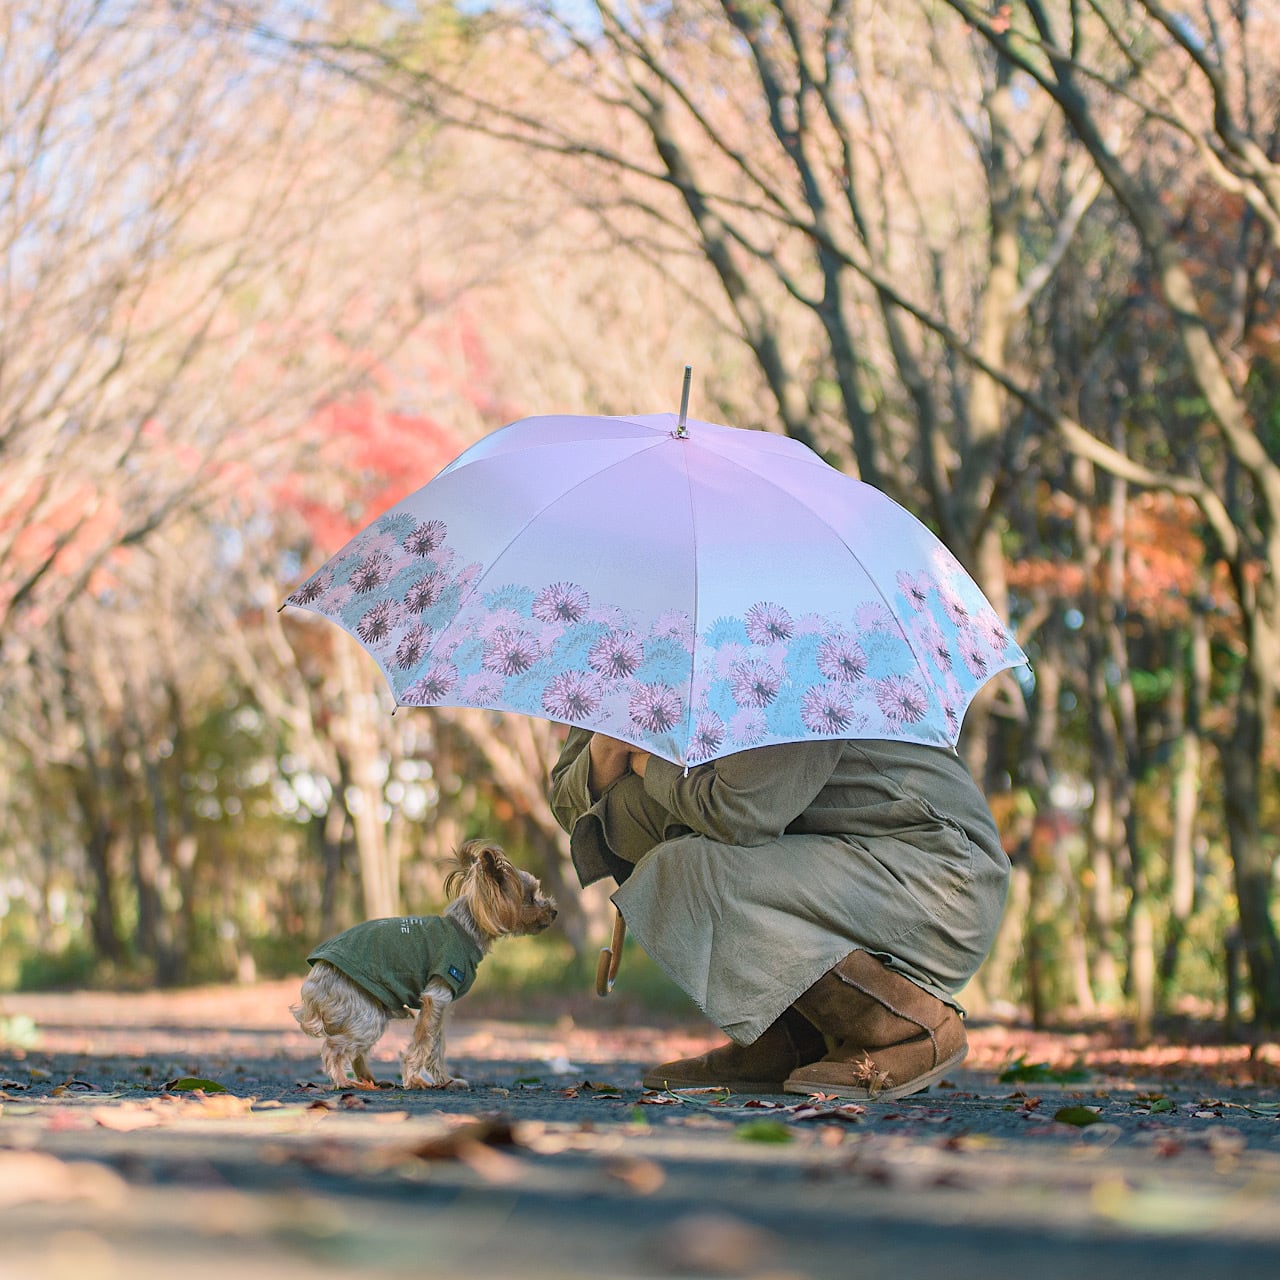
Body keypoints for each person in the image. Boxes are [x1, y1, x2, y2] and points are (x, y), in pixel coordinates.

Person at [549, 728, 1010, 1100]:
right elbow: (573, 806)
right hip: (838, 858)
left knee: (692, 870)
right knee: (627, 810)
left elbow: (740, 811)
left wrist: (647, 761)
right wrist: (606, 749)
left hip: (936, 874)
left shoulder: (793, 646)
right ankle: (789, 1033)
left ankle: (906, 1028)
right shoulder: (641, 648)